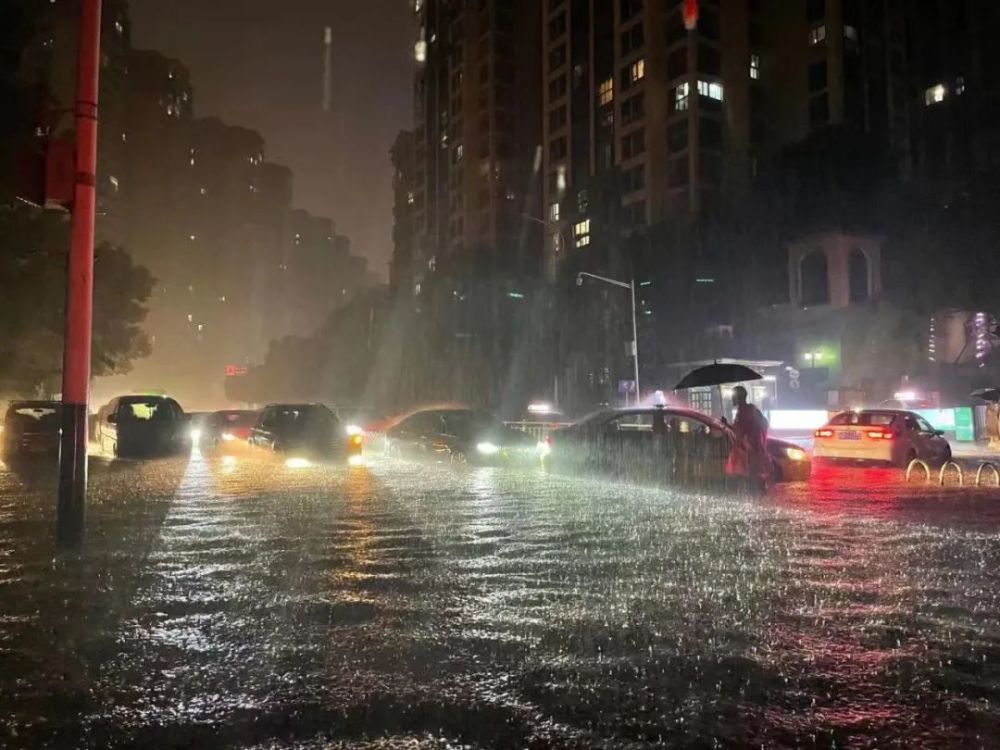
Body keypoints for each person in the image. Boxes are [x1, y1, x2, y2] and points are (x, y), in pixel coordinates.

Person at [725, 385, 772, 492]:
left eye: (733, 396)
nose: (732, 399)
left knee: (747, 477)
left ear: (739, 397)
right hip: (748, 450)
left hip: (747, 450)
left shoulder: (745, 411)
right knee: (749, 477)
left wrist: (751, 440)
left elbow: (740, 429)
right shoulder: (749, 410)